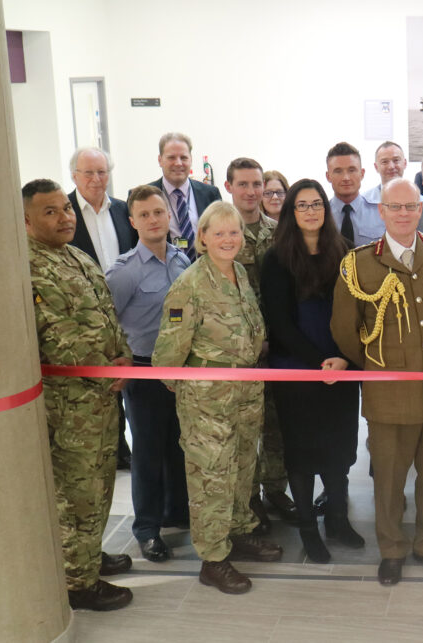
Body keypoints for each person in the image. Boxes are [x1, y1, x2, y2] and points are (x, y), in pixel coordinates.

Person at [331, 178, 423, 586]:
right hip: (389, 391)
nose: (403, 214)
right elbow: (345, 328)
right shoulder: (360, 262)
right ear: (381, 211)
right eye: (394, 207)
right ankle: (392, 549)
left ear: (421, 209)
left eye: (410, 206)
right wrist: (375, 364)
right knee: (388, 479)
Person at [153, 201, 282, 595]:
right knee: (212, 476)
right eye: (220, 233)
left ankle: (239, 532)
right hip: (208, 398)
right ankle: (212, 559)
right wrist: (194, 388)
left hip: (245, 391)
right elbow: (167, 356)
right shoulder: (188, 286)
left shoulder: (240, 273)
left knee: (243, 465)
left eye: (235, 232)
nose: (229, 240)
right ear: (203, 238)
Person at [25, 178, 134, 611]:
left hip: (102, 398)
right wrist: (110, 369)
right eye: (50, 212)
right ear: (27, 219)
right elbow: (60, 338)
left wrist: (122, 357)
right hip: (70, 404)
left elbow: (107, 316)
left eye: (64, 209)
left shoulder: (77, 257)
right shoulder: (30, 267)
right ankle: (78, 584)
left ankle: (87, 556)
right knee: (78, 492)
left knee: (100, 483)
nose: (64, 217)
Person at [260, 179, 364, 564]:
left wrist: (343, 358)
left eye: (316, 203)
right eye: (301, 205)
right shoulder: (276, 258)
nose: (310, 211)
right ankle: (308, 529)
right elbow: (280, 324)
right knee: (303, 455)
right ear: (290, 212)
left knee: (339, 451)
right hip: (297, 372)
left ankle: (337, 519)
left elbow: (357, 314)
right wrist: (319, 362)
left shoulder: (345, 253)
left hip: (340, 368)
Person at [105, 185, 192, 563]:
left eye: (159, 212)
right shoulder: (124, 272)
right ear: (132, 221)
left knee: (178, 444)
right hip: (144, 371)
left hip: (182, 371)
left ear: (168, 215)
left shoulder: (182, 261)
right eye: (145, 215)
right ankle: (147, 529)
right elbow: (108, 323)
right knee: (148, 452)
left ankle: (177, 512)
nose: (154, 220)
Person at [224, 158, 297, 531]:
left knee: (275, 425)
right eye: (244, 185)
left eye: (258, 185)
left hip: (278, 348)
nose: (252, 192)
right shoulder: (220, 235)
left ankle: (276, 491)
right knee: (242, 431)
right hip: (237, 353)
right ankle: (248, 500)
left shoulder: (279, 232)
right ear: (229, 187)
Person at [68, 146, 136, 470]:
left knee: (123, 377)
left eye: (102, 172)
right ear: (74, 176)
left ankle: (123, 449)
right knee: (99, 383)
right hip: (83, 316)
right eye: (88, 173)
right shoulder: (64, 211)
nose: (96, 179)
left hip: (124, 312)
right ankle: (108, 447)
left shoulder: (123, 211)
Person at [146, 132, 222, 261]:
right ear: (160, 160)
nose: (178, 163)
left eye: (184, 157)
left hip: (206, 272)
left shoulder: (210, 194)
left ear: (191, 159)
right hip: (165, 274)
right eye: (171, 158)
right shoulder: (146, 197)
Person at [327, 142, 384, 246]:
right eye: (338, 171)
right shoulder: (321, 215)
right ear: (328, 176)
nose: (346, 178)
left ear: (362, 174)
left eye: (352, 170)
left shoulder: (381, 213)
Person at [363, 140, 413, 206]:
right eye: (384, 162)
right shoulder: (364, 202)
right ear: (376, 167)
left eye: (396, 160)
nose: (391, 167)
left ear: (405, 163)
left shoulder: (420, 202)